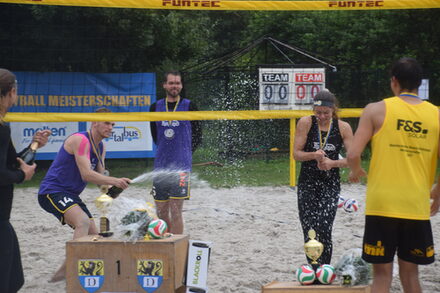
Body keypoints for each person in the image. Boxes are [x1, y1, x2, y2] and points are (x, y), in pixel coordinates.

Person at [347, 57, 439, 293]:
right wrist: (438, 192)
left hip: (382, 204)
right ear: (419, 84)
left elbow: (354, 153)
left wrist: (355, 170)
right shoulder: (436, 115)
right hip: (415, 204)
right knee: (411, 275)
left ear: (394, 82)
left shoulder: (375, 110)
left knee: (381, 276)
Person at [38, 107, 131, 282]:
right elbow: (86, 175)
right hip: (52, 191)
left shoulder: (101, 146)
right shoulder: (81, 140)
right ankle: (74, 270)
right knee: (82, 222)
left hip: (71, 195)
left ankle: (63, 273)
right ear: (94, 122)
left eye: (113, 124)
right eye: (106, 123)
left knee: (94, 236)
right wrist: (115, 180)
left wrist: (113, 190)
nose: (110, 127)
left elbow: (100, 181)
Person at [0, 68, 50, 293]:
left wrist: (35, 145)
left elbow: (13, 161)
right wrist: (23, 175)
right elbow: (8, 172)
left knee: (14, 279)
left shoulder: (3, 126)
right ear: (11, 92)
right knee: (9, 281)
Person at [293, 90, 353, 265]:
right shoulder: (305, 122)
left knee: (324, 227)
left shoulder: (343, 127)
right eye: (318, 112)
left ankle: (324, 268)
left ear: (333, 110)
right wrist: (313, 155)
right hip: (307, 181)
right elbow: (296, 154)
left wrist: (332, 163)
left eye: (326, 113)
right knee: (309, 229)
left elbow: (353, 159)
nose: (322, 116)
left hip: (330, 183)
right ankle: (314, 267)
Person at [149, 70, 202, 234]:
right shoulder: (155, 107)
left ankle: (176, 245)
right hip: (161, 166)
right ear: (164, 85)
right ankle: (166, 242)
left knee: (176, 211)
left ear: (181, 85)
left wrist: (185, 152)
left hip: (181, 167)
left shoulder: (190, 105)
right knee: (161, 211)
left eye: (177, 83)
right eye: (171, 83)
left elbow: (198, 135)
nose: (174, 86)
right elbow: (155, 136)